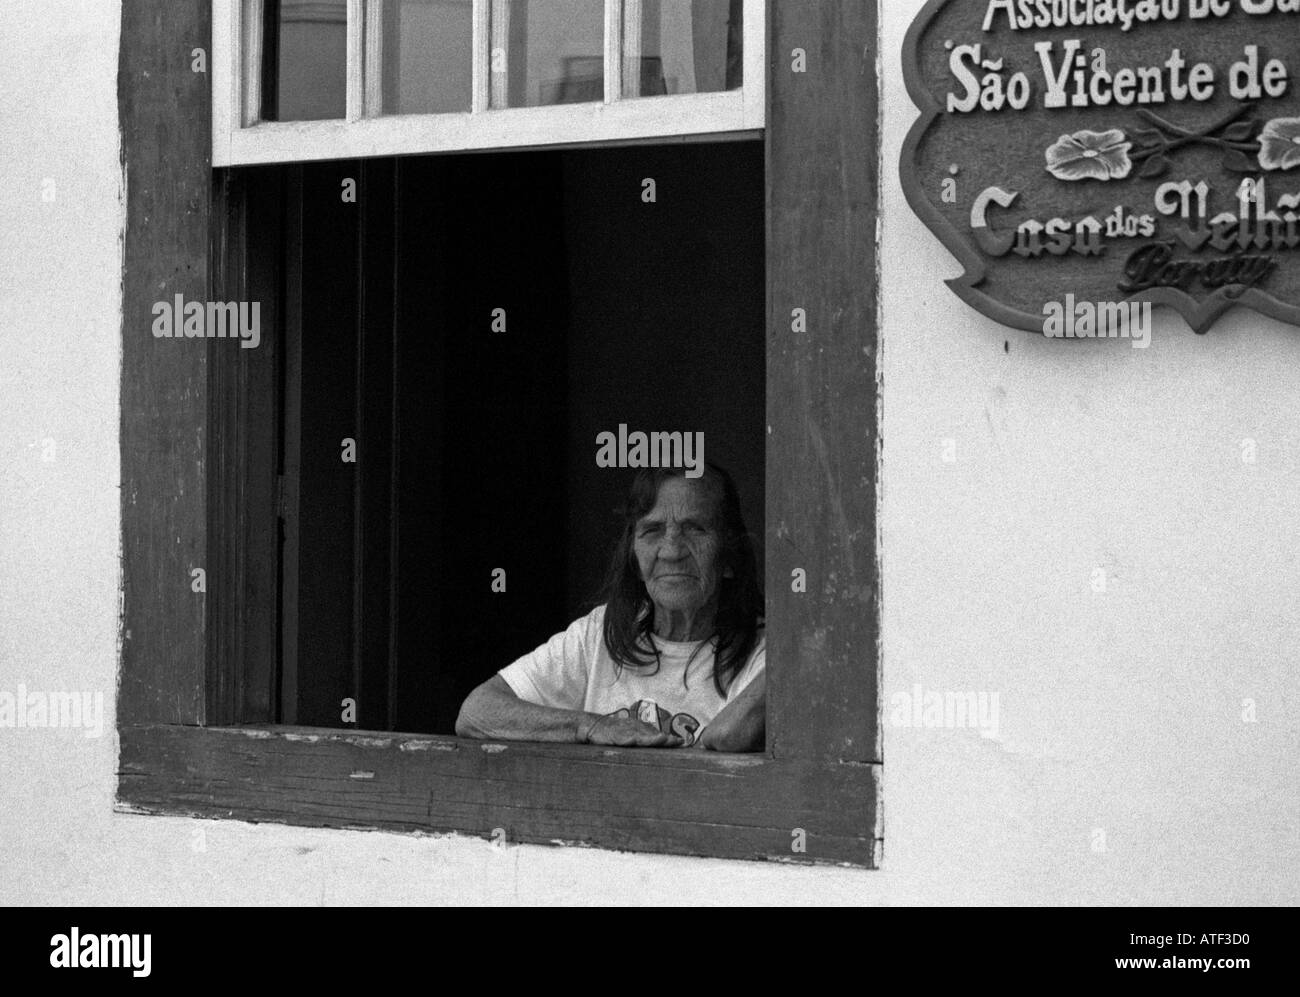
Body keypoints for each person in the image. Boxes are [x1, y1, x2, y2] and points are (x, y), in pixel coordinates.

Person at [456, 463, 765, 751]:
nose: (671, 551)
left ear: (729, 557)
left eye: (695, 529)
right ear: (635, 557)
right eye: (652, 531)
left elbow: (727, 737)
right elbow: (476, 712)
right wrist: (590, 725)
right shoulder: (599, 633)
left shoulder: (766, 652)